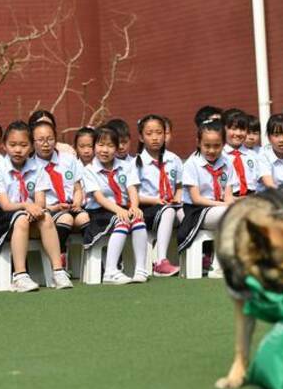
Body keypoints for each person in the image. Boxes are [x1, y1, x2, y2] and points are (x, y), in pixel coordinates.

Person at [0, 120, 73, 292]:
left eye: (23, 145)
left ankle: (58, 270)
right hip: (3, 218)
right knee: (21, 219)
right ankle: (20, 275)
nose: (18, 150)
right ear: (4, 146)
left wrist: (36, 209)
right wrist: (28, 205)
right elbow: (5, 205)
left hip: (30, 212)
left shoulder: (37, 168)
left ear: (31, 147)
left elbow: (40, 201)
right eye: (13, 145)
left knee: (46, 216)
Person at [83, 126, 149, 285]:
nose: (104, 150)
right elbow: (99, 198)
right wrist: (120, 211)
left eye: (110, 145)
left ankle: (140, 269)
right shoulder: (89, 170)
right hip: (100, 212)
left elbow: (132, 188)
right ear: (94, 147)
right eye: (100, 145)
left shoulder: (127, 165)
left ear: (117, 147)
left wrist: (134, 206)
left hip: (122, 208)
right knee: (123, 220)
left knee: (138, 219)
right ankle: (110, 271)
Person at [177, 119, 235, 278]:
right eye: (207, 146)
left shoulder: (228, 163)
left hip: (219, 208)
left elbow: (228, 194)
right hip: (196, 211)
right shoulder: (192, 164)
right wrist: (224, 205)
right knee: (228, 213)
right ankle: (218, 267)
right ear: (198, 143)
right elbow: (196, 199)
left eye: (217, 146)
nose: (211, 150)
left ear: (224, 144)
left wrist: (229, 205)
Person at [32, 119, 89, 266]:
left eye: (50, 139)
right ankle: (59, 256)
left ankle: (92, 261)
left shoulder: (69, 159)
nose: (46, 144)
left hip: (71, 206)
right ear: (32, 142)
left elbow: (77, 188)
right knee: (66, 219)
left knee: (84, 217)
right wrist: (55, 208)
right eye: (40, 140)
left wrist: (77, 202)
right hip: (50, 209)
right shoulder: (31, 166)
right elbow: (37, 202)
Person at [135, 114, 183, 277]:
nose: (155, 138)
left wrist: (178, 197)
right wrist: (155, 200)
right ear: (141, 137)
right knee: (168, 211)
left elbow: (179, 186)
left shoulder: (174, 159)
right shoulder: (136, 163)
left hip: (169, 206)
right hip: (148, 210)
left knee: (186, 213)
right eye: (149, 134)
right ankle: (161, 261)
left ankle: (198, 257)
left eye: (159, 133)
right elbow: (132, 196)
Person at [222, 109, 260, 197]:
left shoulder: (254, 155)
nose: (238, 133)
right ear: (224, 129)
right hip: (229, 199)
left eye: (242, 129)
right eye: (233, 129)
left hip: (254, 197)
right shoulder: (218, 157)